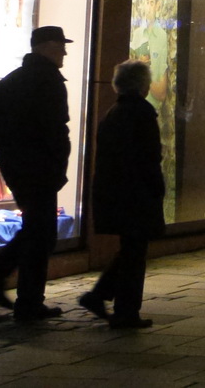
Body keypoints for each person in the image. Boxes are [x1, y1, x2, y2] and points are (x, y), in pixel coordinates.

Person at [0, 25, 73, 320]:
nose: (64, 52)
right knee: (41, 233)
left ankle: (14, 290)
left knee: (37, 230)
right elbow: (55, 130)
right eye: (60, 46)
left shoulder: (12, 81)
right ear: (44, 47)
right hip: (41, 168)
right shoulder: (47, 81)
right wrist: (55, 161)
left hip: (19, 168)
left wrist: (10, 154)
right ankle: (22, 296)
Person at [80, 59, 166, 329]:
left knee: (131, 248)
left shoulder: (114, 112)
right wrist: (156, 189)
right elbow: (149, 158)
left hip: (117, 192)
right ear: (142, 84)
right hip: (136, 193)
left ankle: (101, 296)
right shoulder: (141, 113)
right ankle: (125, 310)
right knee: (134, 252)